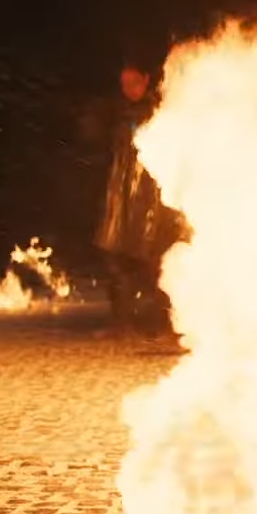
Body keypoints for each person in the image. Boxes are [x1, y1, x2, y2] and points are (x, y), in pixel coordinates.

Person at [93, 58, 184, 339]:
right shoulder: (119, 112)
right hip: (122, 195)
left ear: (145, 80)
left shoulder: (158, 110)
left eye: (134, 82)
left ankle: (164, 323)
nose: (128, 89)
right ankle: (121, 322)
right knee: (115, 258)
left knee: (153, 263)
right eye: (124, 84)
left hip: (150, 196)